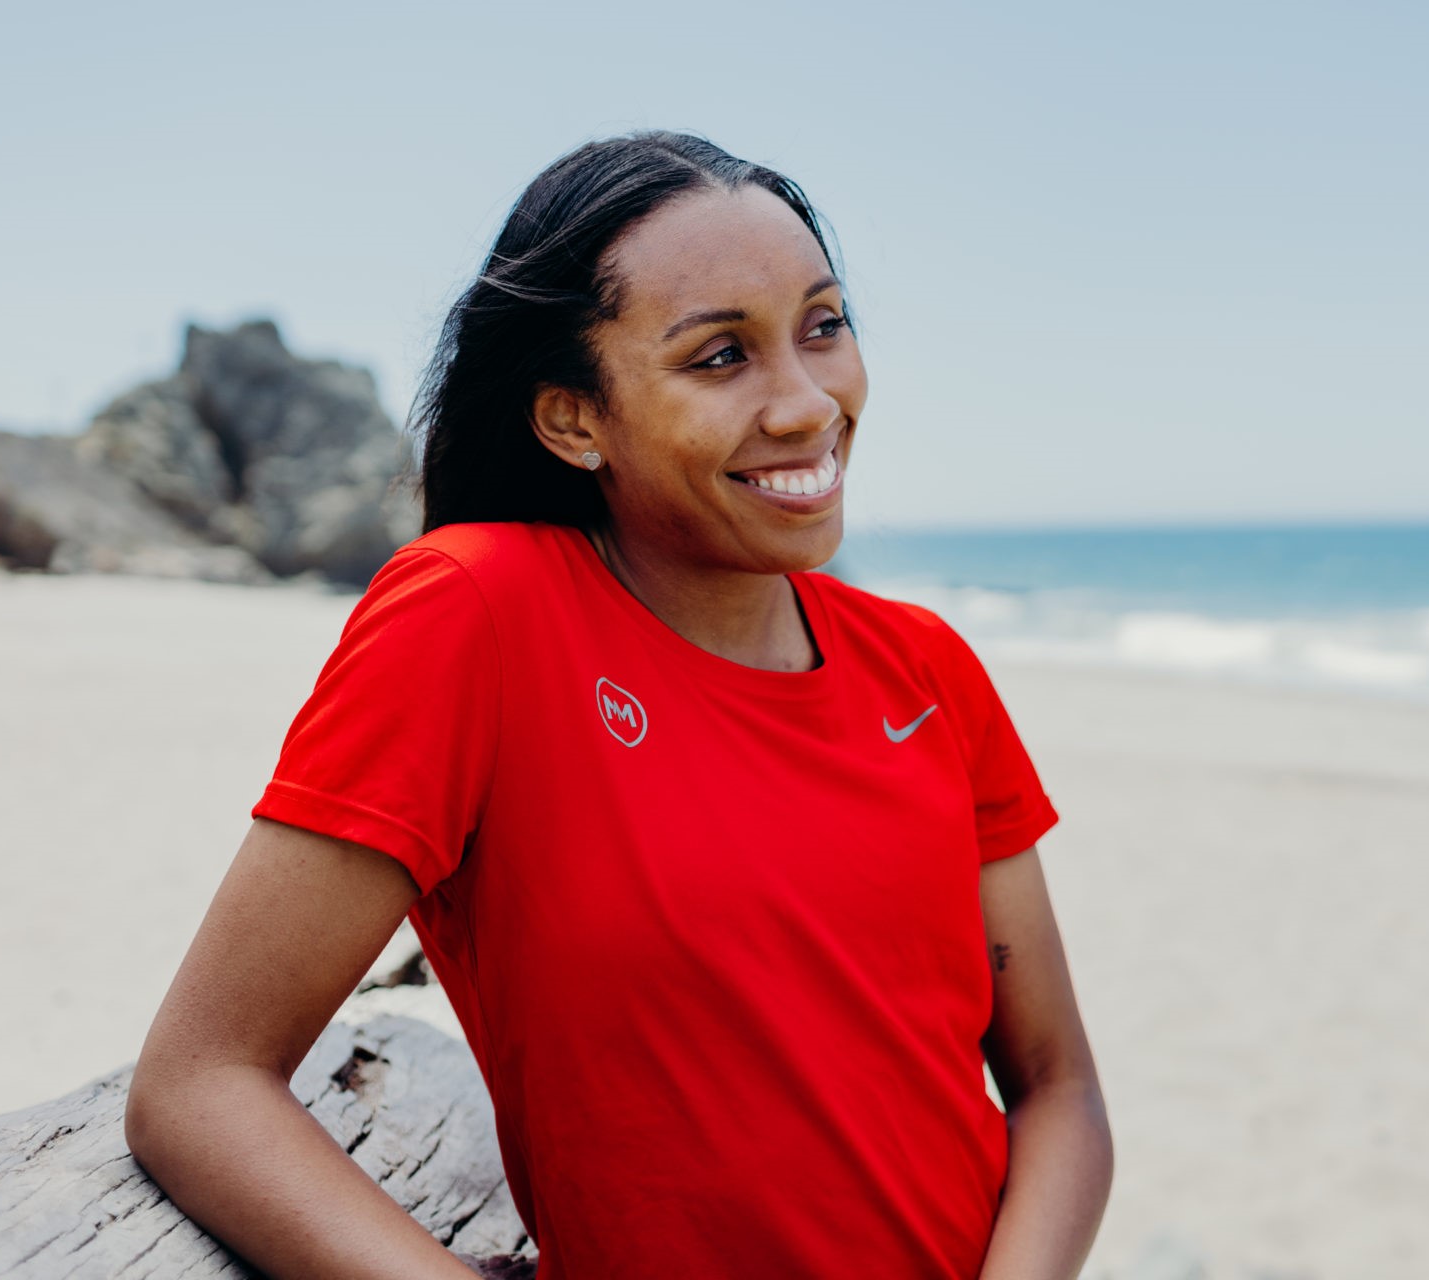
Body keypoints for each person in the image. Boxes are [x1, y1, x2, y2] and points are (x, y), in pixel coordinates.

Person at [124, 130, 1112, 1279]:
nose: (805, 403)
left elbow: (1059, 1089)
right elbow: (200, 1081)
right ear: (572, 418)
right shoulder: (477, 615)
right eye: (719, 357)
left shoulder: (926, 666)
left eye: (823, 325)